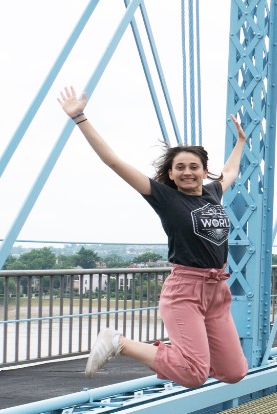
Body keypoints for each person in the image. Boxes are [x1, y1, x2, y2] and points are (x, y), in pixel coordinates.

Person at [58, 87, 249, 389]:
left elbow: (230, 170)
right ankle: (119, 342)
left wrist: (240, 141)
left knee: (235, 371)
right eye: (180, 168)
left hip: (217, 291)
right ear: (171, 174)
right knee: (194, 375)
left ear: (203, 171)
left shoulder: (213, 193)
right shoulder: (166, 198)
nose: (187, 172)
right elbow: (114, 161)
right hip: (185, 290)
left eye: (194, 167)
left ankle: (187, 360)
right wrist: (80, 118)